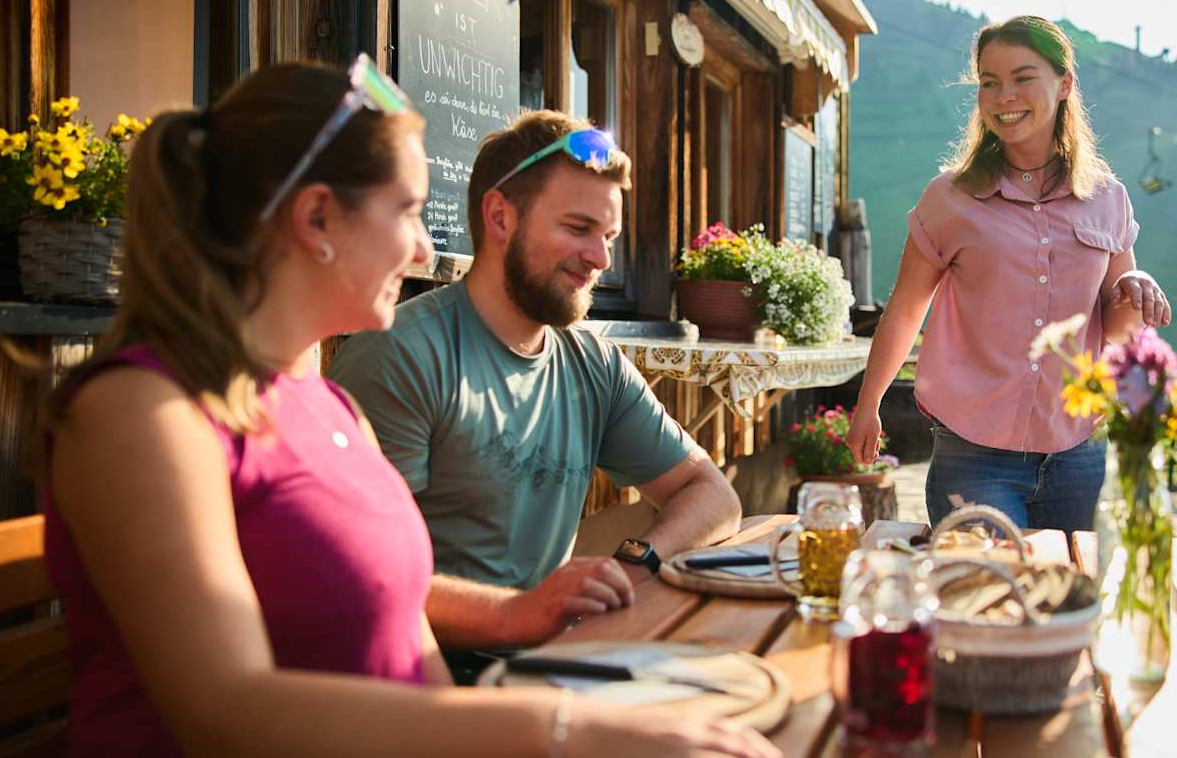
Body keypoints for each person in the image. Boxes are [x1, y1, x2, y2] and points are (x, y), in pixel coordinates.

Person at [42, 59, 779, 758]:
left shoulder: (325, 405)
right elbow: (223, 714)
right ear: (318, 219)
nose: (427, 249)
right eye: (407, 211)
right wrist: (560, 730)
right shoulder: (142, 414)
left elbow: (406, 638)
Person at [327, 110, 743, 669]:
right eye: (578, 229)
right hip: (427, 670)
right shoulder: (403, 355)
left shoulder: (594, 363)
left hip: (550, 657)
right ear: (500, 217)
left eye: (608, 236)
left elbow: (712, 492)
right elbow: (360, 577)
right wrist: (520, 611)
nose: (600, 259)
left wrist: (633, 563)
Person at [845, 15, 1172, 534]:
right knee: (981, 599)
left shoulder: (1108, 199)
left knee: (1071, 599)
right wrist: (869, 404)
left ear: (1064, 84)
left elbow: (1113, 328)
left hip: (1077, 454)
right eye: (989, 83)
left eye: (1022, 78)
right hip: (973, 457)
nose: (1004, 96)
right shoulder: (948, 198)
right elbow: (907, 308)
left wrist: (1140, 286)